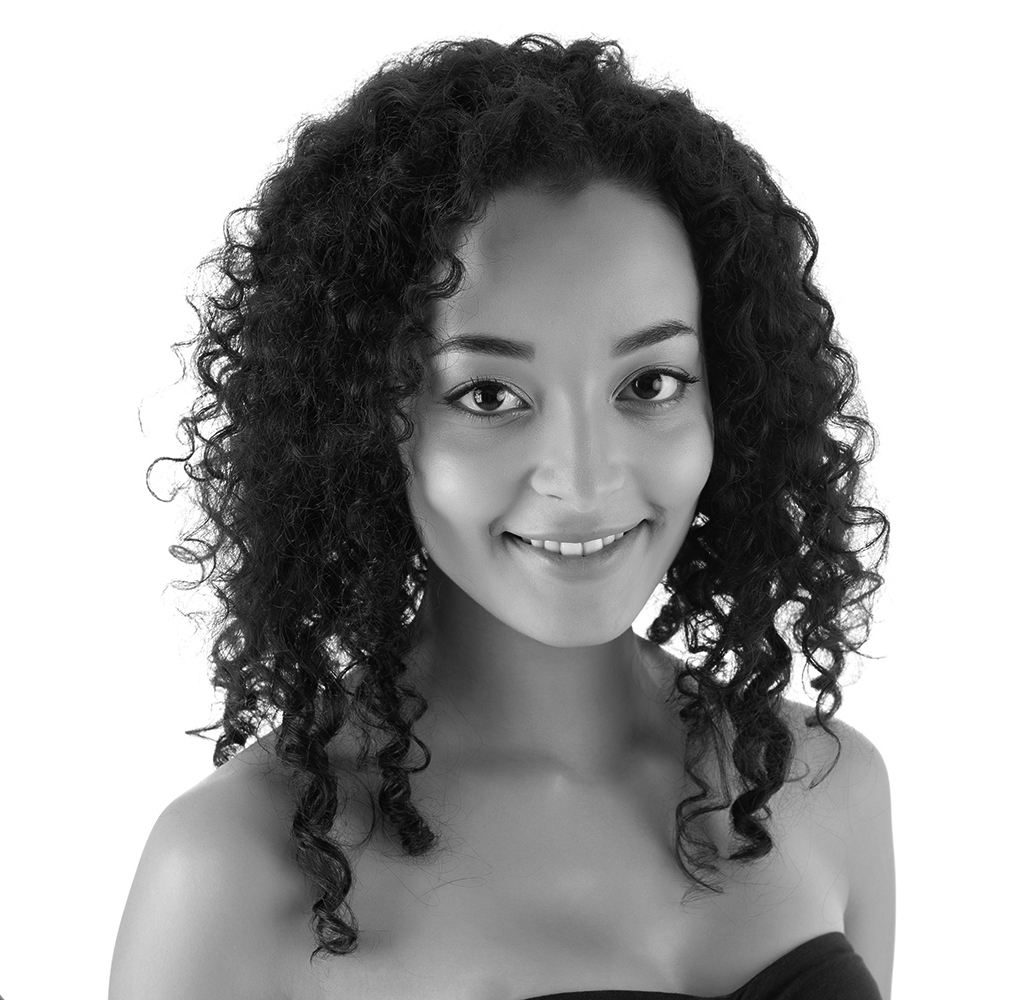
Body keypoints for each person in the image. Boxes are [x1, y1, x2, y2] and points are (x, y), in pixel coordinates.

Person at [110, 34, 894, 1000]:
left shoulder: (829, 789)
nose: (585, 477)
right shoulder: (236, 872)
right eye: (489, 395)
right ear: (364, 420)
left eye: (650, 383)